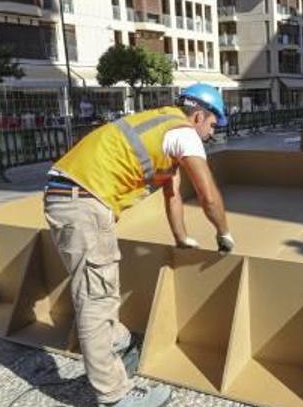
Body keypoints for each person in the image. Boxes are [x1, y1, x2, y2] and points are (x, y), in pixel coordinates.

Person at [44, 83, 236, 407]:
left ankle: (116, 345)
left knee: (98, 291)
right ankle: (114, 396)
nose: (211, 135)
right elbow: (208, 195)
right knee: (97, 298)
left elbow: (173, 195)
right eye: (213, 126)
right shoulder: (184, 133)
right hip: (83, 201)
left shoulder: (162, 127)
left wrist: (181, 239)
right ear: (199, 116)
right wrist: (224, 233)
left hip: (69, 195)